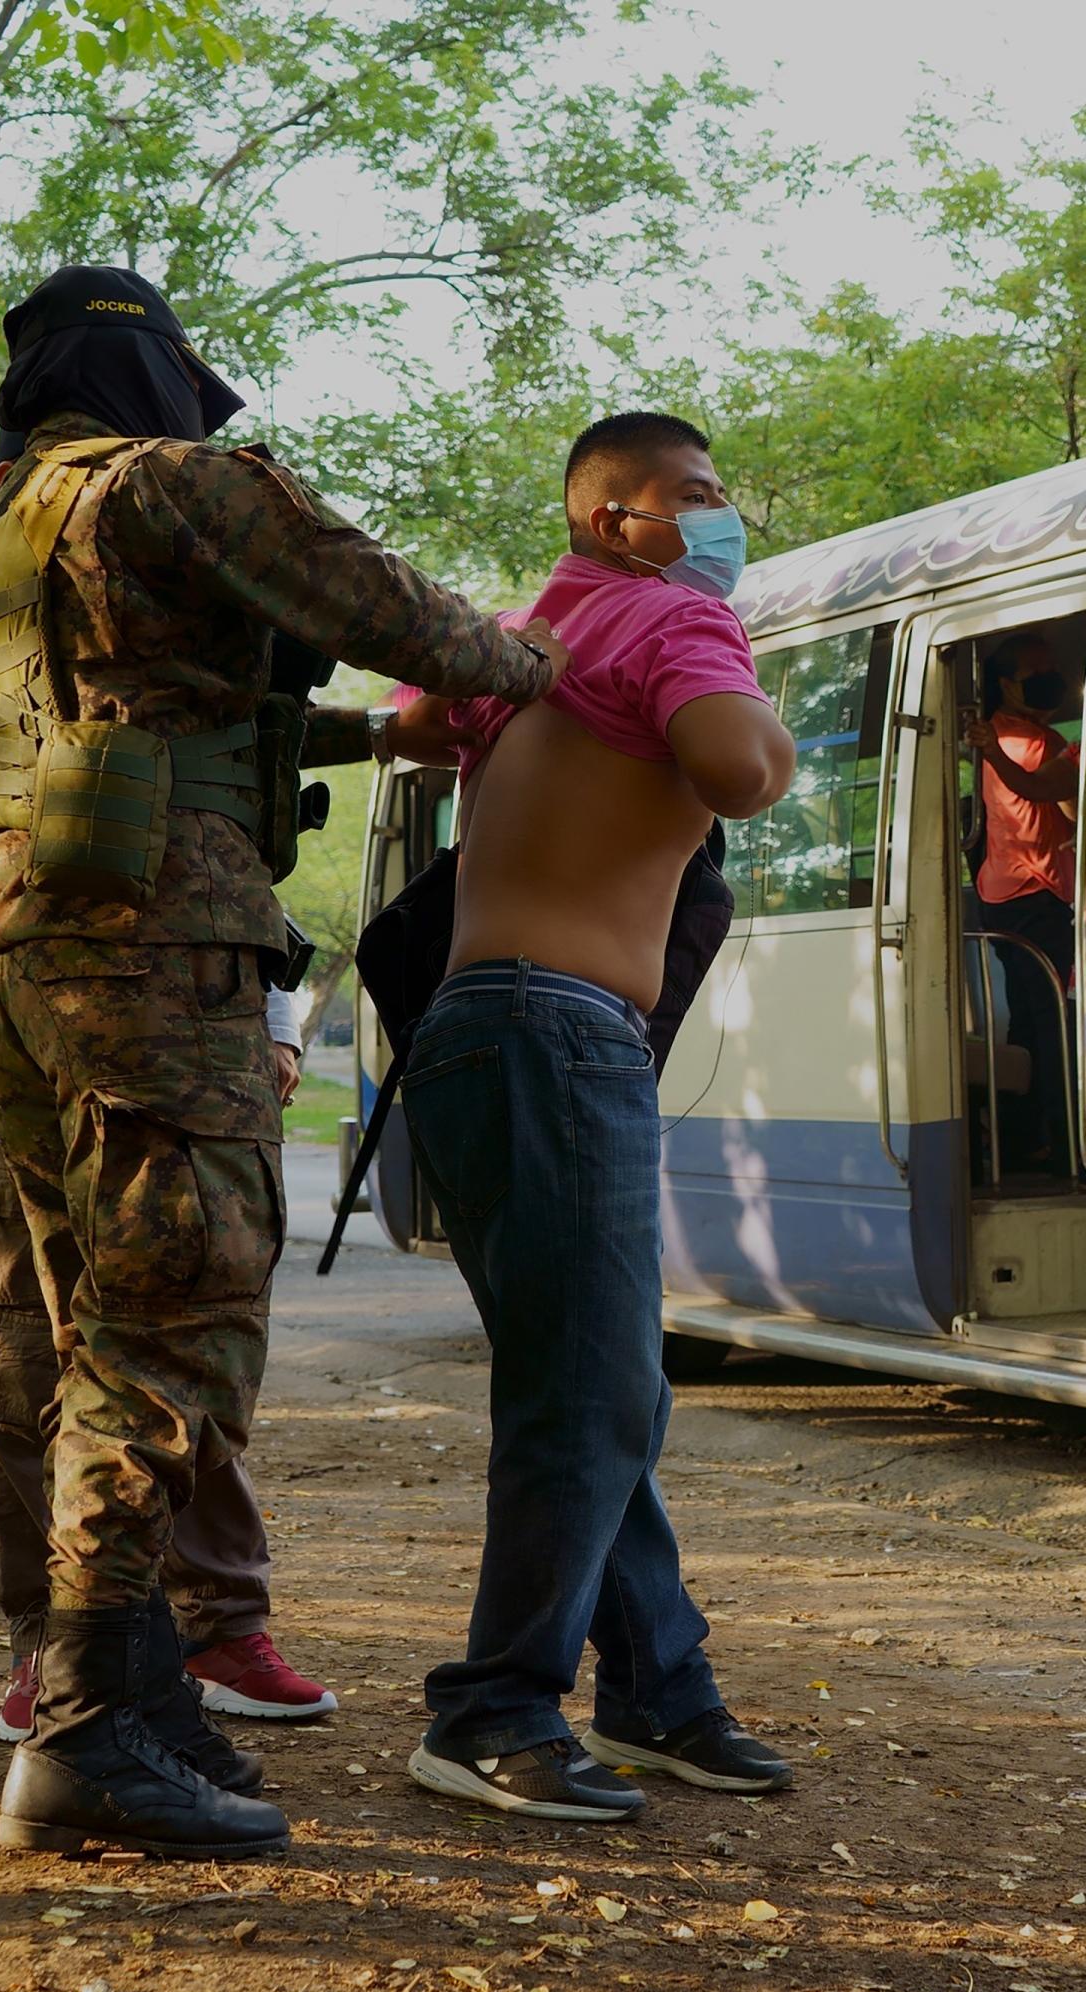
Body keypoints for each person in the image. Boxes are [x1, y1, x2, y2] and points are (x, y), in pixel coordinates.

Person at [0, 265, 567, 1860]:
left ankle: (132, 1696)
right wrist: (548, 668)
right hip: (153, 948)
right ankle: (89, 1733)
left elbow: (139, 713)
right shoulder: (171, 482)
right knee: (175, 1314)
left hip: (22, 948)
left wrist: (371, 742)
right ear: (154, 377)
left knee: (86, 1314)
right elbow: (384, 609)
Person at [0, 570, 342, 1759]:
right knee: (29, 1338)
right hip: (1, 1023)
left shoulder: (194, 607)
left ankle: (219, 1620)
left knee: (189, 1311)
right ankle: (52, 1639)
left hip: (195, 1017)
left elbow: (234, 826)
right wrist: (44, 749)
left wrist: (273, 1021)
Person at [387, 411, 796, 1822]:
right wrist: (763, 713)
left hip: (474, 1032)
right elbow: (738, 768)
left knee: (594, 1386)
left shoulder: (529, 635)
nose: (721, 514)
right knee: (596, 1393)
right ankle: (493, 1710)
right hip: (559, 1038)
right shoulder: (671, 619)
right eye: (696, 493)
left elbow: (408, 724)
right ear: (617, 515)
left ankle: (658, 1695)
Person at [963, 634, 1082, 1177]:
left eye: (1053, 669)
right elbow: (1037, 789)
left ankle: (1020, 1143)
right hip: (1034, 894)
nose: (1049, 678)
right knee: (1054, 1026)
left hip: (1007, 894)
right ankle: (1062, 1147)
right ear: (1007, 685)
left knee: (1030, 1029)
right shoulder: (1023, 740)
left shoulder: (1023, 734)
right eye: (1036, 672)